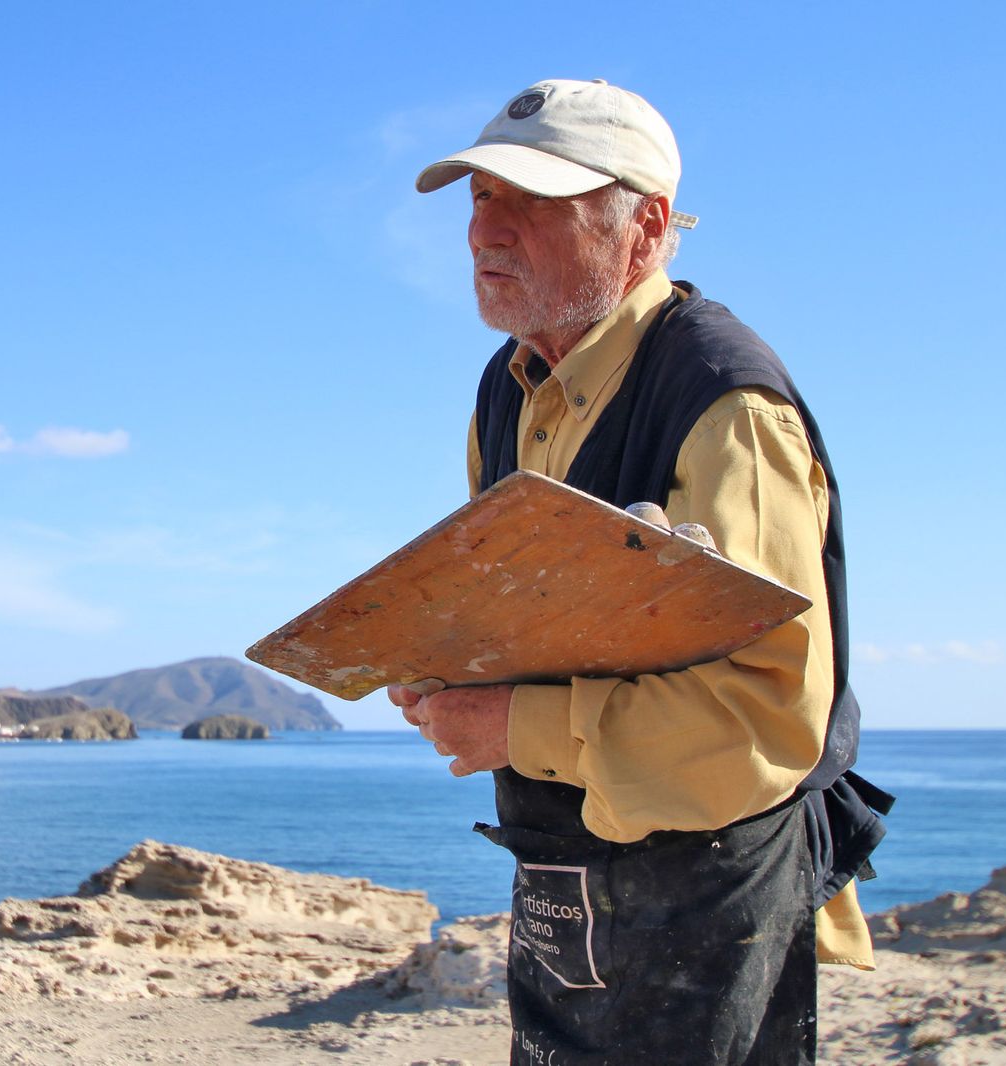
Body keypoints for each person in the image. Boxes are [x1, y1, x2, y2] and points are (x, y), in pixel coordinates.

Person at [389, 79, 891, 1065]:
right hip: (566, 879)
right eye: (479, 197)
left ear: (646, 225)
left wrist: (508, 725)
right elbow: (524, 608)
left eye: (531, 201)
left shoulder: (724, 404)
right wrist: (447, 659)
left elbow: (769, 722)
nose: (485, 230)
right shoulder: (509, 383)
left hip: (702, 898)